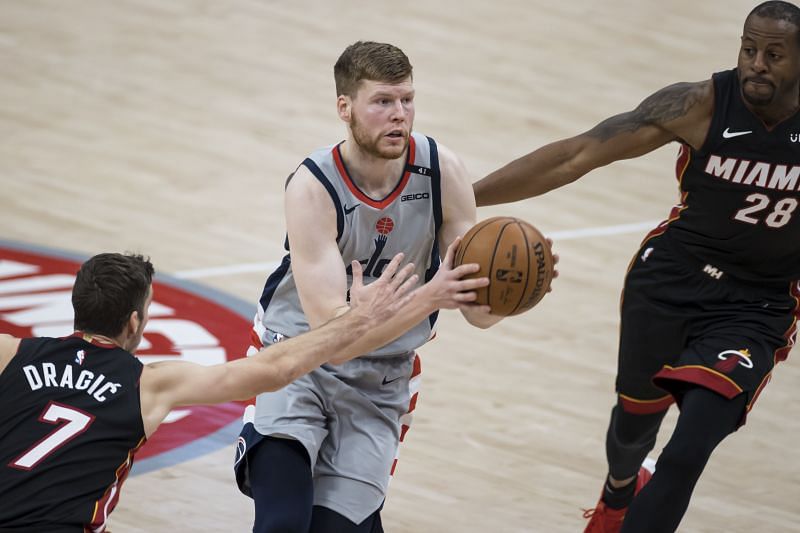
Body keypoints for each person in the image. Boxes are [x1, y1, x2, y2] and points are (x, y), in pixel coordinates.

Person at [473, 2, 800, 532]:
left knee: (688, 449)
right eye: (748, 49)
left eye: (774, 54)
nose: (757, 64)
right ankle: (619, 492)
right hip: (670, 279)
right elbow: (576, 155)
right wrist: (462, 200)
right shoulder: (700, 103)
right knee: (633, 429)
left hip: (755, 306)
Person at [0, 249, 487, 532]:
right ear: (134, 323)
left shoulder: (11, 354)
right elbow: (276, 369)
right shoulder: (150, 383)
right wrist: (361, 319)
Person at [234, 40, 503, 533]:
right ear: (345, 107)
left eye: (406, 100)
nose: (399, 115)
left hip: (381, 384)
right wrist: (428, 296)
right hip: (298, 362)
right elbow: (332, 339)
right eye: (382, 102)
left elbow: (479, 313)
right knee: (283, 523)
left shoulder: (443, 171)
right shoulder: (312, 186)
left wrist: (509, 292)